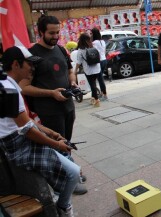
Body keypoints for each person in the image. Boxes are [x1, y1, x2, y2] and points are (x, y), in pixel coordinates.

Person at [0, 46, 80, 217]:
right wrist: (56, 144)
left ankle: (62, 203)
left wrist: (49, 132)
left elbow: (24, 122)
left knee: (72, 171)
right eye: (30, 64)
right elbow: (26, 129)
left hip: (21, 141)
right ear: (16, 64)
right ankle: (63, 206)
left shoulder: (6, 84)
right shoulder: (10, 90)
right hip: (19, 147)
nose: (33, 68)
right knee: (72, 173)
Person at [19, 15, 87, 195]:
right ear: (40, 32)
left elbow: (70, 71)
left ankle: (71, 171)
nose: (56, 36)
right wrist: (51, 93)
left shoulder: (62, 50)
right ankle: (66, 180)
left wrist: (72, 83)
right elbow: (24, 87)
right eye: (51, 33)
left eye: (57, 32)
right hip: (48, 111)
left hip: (67, 106)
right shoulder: (31, 55)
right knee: (57, 144)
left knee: (67, 141)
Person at [74, 33, 101, 107]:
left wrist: (75, 70)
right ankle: (93, 98)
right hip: (97, 68)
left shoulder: (80, 50)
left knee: (92, 84)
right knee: (94, 84)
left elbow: (79, 62)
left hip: (88, 70)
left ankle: (97, 100)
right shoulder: (93, 46)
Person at [91, 27, 108, 101]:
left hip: (99, 61)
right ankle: (102, 93)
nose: (90, 35)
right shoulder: (102, 41)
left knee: (100, 78)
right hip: (104, 60)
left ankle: (104, 94)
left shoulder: (94, 43)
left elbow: (94, 52)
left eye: (91, 33)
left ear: (93, 34)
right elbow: (104, 51)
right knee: (100, 77)